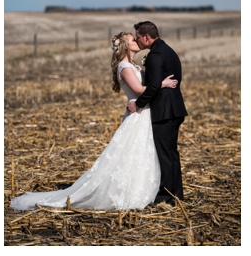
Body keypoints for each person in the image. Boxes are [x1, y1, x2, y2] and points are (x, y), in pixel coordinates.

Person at [10, 32, 177, 211]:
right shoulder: (124, 67)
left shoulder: (133, 65)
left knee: (142, 153)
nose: (136, 41)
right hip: (137, 113)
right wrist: (162, 84)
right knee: (129, 153)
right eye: (132, 39)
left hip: (144, 113)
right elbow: (138, 91)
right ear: (125, 46)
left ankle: (145, 189)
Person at [128, 21, 188, 205]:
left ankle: (167, 196)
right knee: (170, 153)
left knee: (165, 154)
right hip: (174, 107)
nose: (137, 40)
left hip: (165, 110)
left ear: (146, 37)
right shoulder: (168, 51)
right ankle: (176, 194)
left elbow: (153, 86)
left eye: (138, 36)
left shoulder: (155, 55)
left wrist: (138, 104)